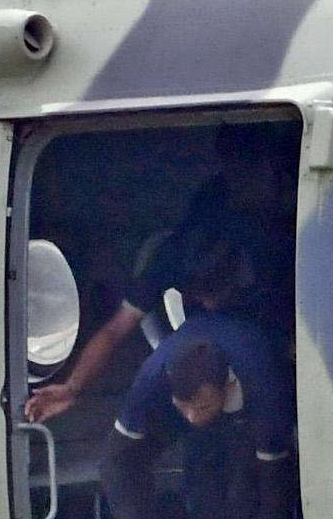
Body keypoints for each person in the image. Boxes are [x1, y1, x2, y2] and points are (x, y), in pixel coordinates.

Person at [22, 127, 294, 425]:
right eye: (232, 173)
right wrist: (73, 387)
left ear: (268, 170)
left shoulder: (290, 237)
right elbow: (116, 328)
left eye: (245, 173)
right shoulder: (179, 252)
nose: (209, 302)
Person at [99, 288, 314, 519]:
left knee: (249, 490)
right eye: (182, 407)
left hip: (260, 370)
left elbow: (275, 491)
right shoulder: (153, 379)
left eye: (201, 407)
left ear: (226, 387)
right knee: (199, 488)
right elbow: (114, 460)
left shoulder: (264, 389)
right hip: (201, 414)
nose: (191, 416)